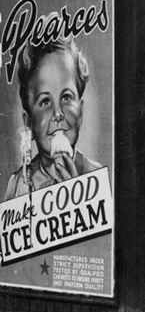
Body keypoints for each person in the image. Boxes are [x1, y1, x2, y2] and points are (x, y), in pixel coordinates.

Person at [3, 37, 101, 201]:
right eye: (45, 102)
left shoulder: (95, 176)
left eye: (66, 97)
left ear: (81, 113)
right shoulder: (18, 184)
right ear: (29, 124)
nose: (58, 113)